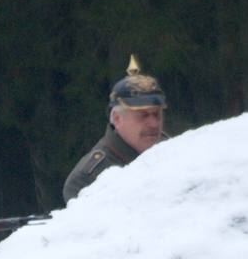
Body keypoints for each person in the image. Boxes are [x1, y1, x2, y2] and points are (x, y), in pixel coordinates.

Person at [63, 57, 169, 203]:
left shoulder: (174, 149)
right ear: (118, 119)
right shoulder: (88, 177)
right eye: (143, 116)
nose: (153, 124)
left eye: (157, 115)